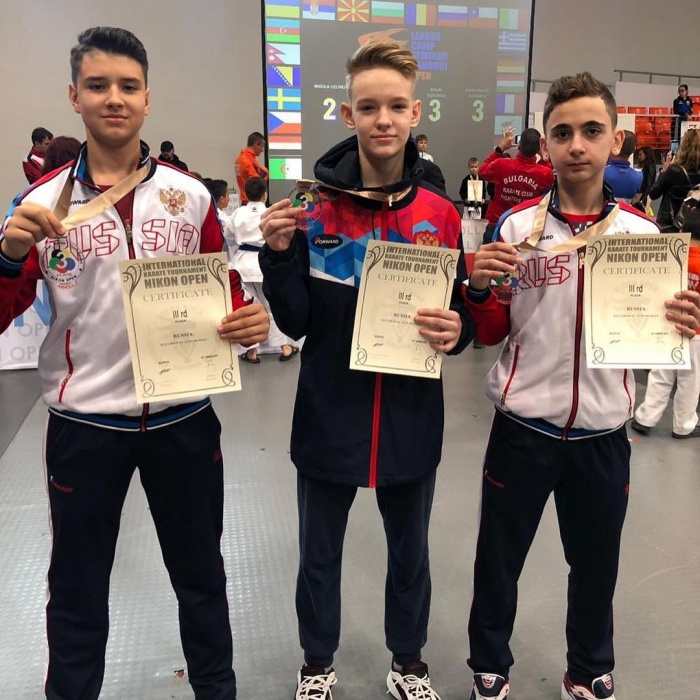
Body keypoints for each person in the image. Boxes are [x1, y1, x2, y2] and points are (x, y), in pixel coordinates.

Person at [0, 26, 269, 700]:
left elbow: (224, 292)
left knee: (202, 576)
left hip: (184, 420)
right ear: (75, 97)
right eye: (97, 86)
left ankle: (216, 690)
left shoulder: (191, 196)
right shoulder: (38, 206)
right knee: (77, 587)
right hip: (85, 426)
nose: (113, 98)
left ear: (147, 98)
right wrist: (6, 257)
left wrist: (248, 320)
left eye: (128, 86)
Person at [462, 71, 700, 700]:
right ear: (546, 144)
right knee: (498, 560)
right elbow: (491, 330)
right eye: (562, 133)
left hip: (601, 434)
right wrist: (480, 288)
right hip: (521, 427)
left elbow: (663, 331)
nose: (576, 145)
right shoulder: (515, 229)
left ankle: (588, 668)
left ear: (615, 140)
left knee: (595, 565)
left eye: (591, 131)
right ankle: (490, 665)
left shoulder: (644, 238)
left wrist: (683, 320)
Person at [259, 40, 475, 700]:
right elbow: (296, 321)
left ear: (415, 114)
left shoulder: (440, 214)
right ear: (348, 113)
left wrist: (459, 331)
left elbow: (459, 313)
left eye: (396, 107)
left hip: (411, 419)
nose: (384, 119)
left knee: (410, 556)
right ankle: (316, 664)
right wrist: (278, 256)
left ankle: (408, 663)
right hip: (328, 415)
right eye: (369, 106)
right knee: (319, 556)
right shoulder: (313, 208)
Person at [631, 205, 700, 438]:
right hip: (695, 332)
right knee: (690, 381)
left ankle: (645, 417)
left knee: (661, 374)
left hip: (667, 324)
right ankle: (683, 425)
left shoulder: (673, 256)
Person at [226, 176, 299, 363]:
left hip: (241, 264)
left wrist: (237, 251)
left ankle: (252, 351)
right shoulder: (270, 213)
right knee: (272, 305)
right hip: (263, 262)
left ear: (245, 194)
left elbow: (228, 237)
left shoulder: (237, 213)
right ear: (265, 195)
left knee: (248, 308)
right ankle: (285, 347)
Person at [479, 127, 554, 243]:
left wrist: (500, 148)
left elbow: (483, 170)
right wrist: (543, 154)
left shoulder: (501, 165)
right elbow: (549, 175)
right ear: (538, 148)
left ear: (519, 145)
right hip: (525, 229)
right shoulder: (545, 173)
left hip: (497, 226)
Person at [649, 129, 700, 231]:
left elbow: (653, 194)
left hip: (670, 225)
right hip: (694, 226)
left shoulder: (674, 170)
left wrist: (664, 171)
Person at [603, 130, 643, 203]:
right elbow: (636, 200)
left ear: (615, 145)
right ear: (634, 150)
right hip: (627, 210)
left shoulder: (600, 173)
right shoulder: (639, 176)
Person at [235, 132, 269, 202]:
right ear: (256, 144)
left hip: (245, 200)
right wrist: (266, 172)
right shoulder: (249, 160)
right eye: (262, 146)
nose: (262, 150)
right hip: (251, 201)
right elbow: (258, 182)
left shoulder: (239, 159)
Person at [635, 145, 657, 210]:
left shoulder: (650, 167)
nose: (639, 157)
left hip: (644, 196)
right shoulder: (645, 166)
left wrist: (643, 199)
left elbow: (649, 184)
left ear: (646, 155)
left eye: (640, 155)